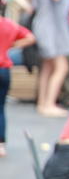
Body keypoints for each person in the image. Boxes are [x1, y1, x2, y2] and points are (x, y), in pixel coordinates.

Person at [25, 0, 69, 117]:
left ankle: (43, 103)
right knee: (61, 67)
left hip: (47, 27)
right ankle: (49, 104)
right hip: (50, 29)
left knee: (47, 68)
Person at [0, 16, 35, 157]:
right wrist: (11, 45)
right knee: (1, 107)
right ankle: (1, 144)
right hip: (4, 69)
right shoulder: (8, 24)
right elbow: (30, 37)